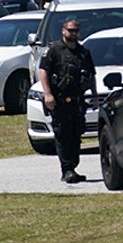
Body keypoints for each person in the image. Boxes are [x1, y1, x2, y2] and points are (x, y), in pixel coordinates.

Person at [37, 19, 96, 183]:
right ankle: (67, 169)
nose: (73, 33)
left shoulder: (84, 52)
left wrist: (95, 95)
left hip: (78, 101)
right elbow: (43, 71)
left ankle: (73, 167)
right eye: (70, 30)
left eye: (76, 30)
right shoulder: (54, 50)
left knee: (76, 134)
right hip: (59, 100)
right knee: (63, 134)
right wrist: (48, 94)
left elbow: (91, 75)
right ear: (63, 31)